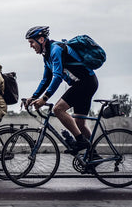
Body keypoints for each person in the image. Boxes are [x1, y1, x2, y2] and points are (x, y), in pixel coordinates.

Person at [24, 26, 98, 155]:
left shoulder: (55, 50)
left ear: (41, 39)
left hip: (85, 82)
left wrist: (44, 98)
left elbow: (57, 77)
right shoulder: (46, 55)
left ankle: (81, 141)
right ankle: (93, 156)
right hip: (84, 83)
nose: (30, 45)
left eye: (31, 42)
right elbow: (46, 79)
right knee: (79, 123)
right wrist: (34, 96)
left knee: (58, 109)